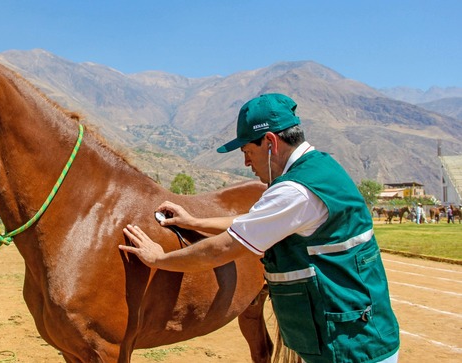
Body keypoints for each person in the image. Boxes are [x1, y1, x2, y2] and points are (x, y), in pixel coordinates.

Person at [119, 94, 400, 363]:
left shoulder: (295, 191)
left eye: (247, 151)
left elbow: (222, 250)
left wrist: (159, 259)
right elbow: (255, 221)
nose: (246, 162)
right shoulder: (318, 170)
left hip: (348, 348)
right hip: (355, 334)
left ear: (270, 142)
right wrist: (194, 222)